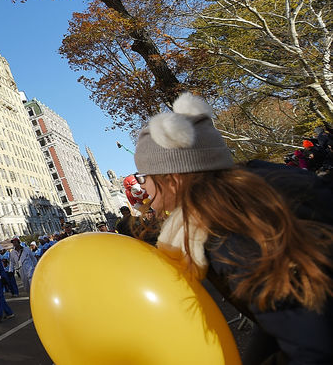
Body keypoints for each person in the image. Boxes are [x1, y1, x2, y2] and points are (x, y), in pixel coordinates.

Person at [133, 92, 333, 365]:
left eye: (144, 176)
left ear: (173, 177)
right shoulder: (262, 185)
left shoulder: (227, 229)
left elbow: (312, 347)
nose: (142, 187)